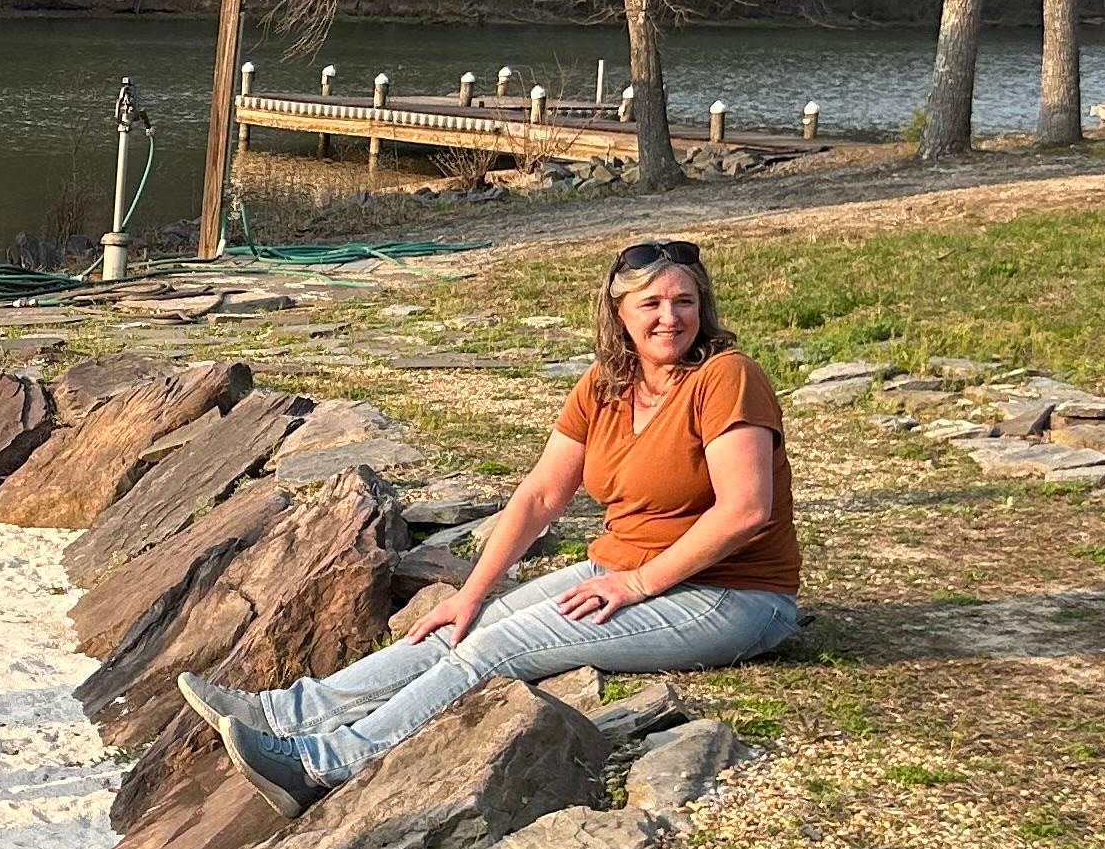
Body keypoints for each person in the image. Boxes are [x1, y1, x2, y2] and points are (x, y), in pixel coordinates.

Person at [186, 238, 806, 812]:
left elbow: (745, 510)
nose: (669, 317)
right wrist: (469, 593)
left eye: (684, 301)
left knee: (496, 647)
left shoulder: (727, 377)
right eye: (651, 303)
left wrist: (637, 584)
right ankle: (288, 715)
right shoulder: (605, 385)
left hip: (730, 595)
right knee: (469, 624)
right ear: (619, 314)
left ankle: (322, 766)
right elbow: (538, 496)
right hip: (621, 568)